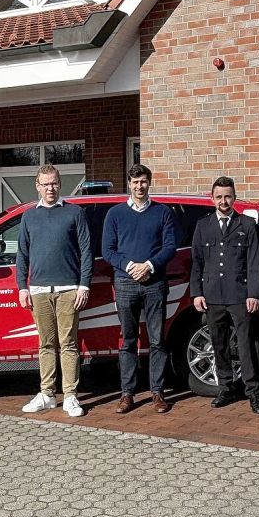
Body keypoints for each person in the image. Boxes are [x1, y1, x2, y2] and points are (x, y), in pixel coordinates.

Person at [15, 165, 92, 417]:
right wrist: (21, 287)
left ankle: (70, 396)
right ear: (37, 186)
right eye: (45, 184)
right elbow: (22, 254)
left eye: (54, 183)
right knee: (45, 344)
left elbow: (86, 252)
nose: (50, 188)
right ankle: (47, 394)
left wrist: (84, 284)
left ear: (60, 184)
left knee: (68, 344)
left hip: (69, 289)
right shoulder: (28, 216)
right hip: (38, 290)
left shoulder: (74, 213)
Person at [102, 164, 177, 414]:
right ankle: (128, 393)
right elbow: (108, 250)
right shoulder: (115, 214)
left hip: (154, 283)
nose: (139, 186)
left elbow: (169, 247)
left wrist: (149, 265)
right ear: (129, 184)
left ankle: (157, 391)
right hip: (125, 283)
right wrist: (130, 266)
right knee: (128, 341)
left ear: (149, 182)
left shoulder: (163, 212)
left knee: (157, 340)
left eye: (143, 181)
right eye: (135, 182)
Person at [190, 177, 259, 415]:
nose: (224, 201)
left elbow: (255, 262)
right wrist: (196, 293)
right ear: (212, 198)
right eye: (219, 197)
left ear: (234, 197)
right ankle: (225, 388)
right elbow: (197, 263)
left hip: (240, 295)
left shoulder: (246, 224)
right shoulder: (203, 226)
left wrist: (253, 293)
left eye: (228, 196)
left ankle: (253, 392)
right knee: (219, 343)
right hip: (213, 295)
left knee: (245, 345)